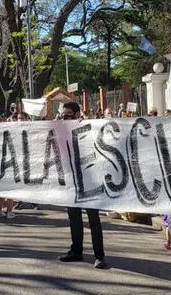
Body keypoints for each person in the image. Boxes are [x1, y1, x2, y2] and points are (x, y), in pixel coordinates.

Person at [58, 102, 107, 269]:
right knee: (74, 219)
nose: (65, 119)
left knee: (94, 220)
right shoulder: (62, 132)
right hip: (73, 183)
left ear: (78, 115)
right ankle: (76, 251)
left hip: (91, 183)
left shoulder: (90, 129)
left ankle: (99, 256)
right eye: (63, 116)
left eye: (68, 115)